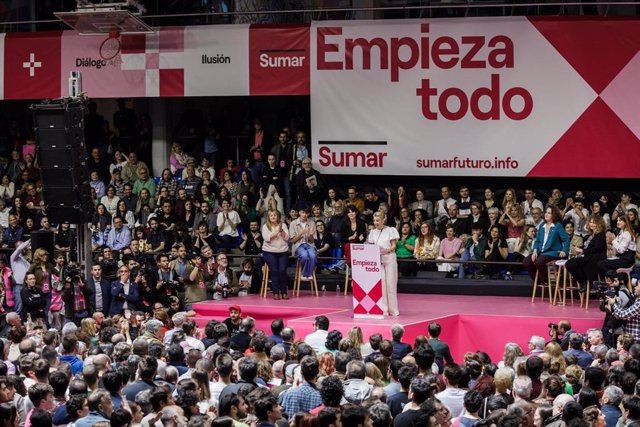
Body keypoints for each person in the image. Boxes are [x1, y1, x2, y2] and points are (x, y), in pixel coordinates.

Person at [523, 206, 570, 286]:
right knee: (526, 262)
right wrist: (534, 251)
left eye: (549, 213)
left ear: (553, 215)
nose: (546, 214)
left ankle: (545, 280)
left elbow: (566, 239)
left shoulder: (558, 226)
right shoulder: (542, 225)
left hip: (553, 252)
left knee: (539, 262)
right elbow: (537, 241)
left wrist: (564, 251)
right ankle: (537, 281)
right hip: (541, 251)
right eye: (546, 212)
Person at [367, 212, 400, 317]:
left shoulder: (391, 230)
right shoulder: (372, 232)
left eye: (378, 221)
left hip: (389, 258)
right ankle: (384, 309)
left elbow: (394, 245)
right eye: (374, 221)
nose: (376, 223)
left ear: (383, 220)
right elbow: (370, 245)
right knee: (382, 285)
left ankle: (393, 310)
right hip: (378, 260)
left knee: (391, 284)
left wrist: (386, 250)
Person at [565, 215, 608, 293]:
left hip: (596, 257)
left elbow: (597, 248)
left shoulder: (601, 234)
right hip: (589, 255)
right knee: (569, 264)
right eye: (590, 222)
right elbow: (588, 247)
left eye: (594, 222)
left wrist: (582, 250)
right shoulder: (591, 235)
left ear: (599, 223)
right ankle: (583, 282)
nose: (591, 224)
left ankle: (584, 282)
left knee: (571, 264)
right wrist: (580, 248)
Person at [261, 210, 290, 300]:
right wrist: (277, 231)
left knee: (282, 270)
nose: (273, 217)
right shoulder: (265, 226)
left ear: (278, 217)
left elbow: (287, 238)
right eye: (271, 215)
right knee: (274, 271)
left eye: (275, 215)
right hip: (269, 251)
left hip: (283, 251)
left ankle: (284, 292)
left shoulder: (283, 225)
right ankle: (276, 292)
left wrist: (281, 231)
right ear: (268, 217)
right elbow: (267, 238)